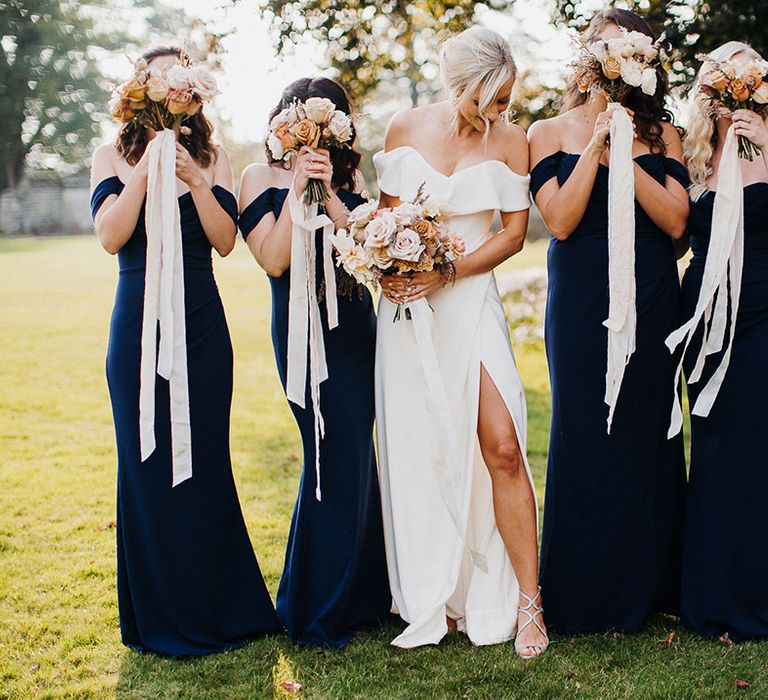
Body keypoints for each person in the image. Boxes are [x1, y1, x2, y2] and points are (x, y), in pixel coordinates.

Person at [90, 46, 278, 656]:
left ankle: (220, 607)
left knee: (205, 461)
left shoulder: (216, 157)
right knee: (144, 464)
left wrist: (195, 176)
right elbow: (112, 235)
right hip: (136, 322)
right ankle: (159, 614)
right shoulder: (110, 156)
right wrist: (147, 167)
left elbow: (225, 241)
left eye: (183, 75)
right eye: (162, 74)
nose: (175, 85)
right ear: (142, 85)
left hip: (200, 322)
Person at [374, 26, 548, 657]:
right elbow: (385, 222)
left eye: (508, 98)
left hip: (471, 304)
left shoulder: (512, 140)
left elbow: (511, 235)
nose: (501, 111)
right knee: (426, 451)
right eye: (492, 98)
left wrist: (447, 269)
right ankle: (438, 593)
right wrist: (391, 267)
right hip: (412, 316)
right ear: (464, 85)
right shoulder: (404, 128)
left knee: (501, 447)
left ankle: (527, 601)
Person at [528, 9, 688, 634]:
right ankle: (583, 590)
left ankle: (653, 586)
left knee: (648, 431)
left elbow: (676, 226)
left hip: (651, 291)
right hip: (581, 298)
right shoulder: (546, 132)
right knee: (585, 430)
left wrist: (629, 148)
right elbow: (561, 220)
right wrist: (597, 143)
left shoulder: (664, 136)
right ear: (585, 61)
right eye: (607, 51)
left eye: (631, 54)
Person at [238, 77, 391, 649]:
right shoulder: (258, 178)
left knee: (352, 457)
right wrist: (296, 185)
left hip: (354, 331)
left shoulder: (349, 179)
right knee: (328, 456)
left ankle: (364, 595)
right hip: (301, 333)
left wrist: (326, 194)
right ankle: (313, 608)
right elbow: (274, 260)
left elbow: (369, 249)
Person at [677, 42, 768, 642]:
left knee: (755, 452)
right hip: (706, 316)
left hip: (764, 308)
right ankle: (711, 595)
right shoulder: (692, 155)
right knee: (713, 451)